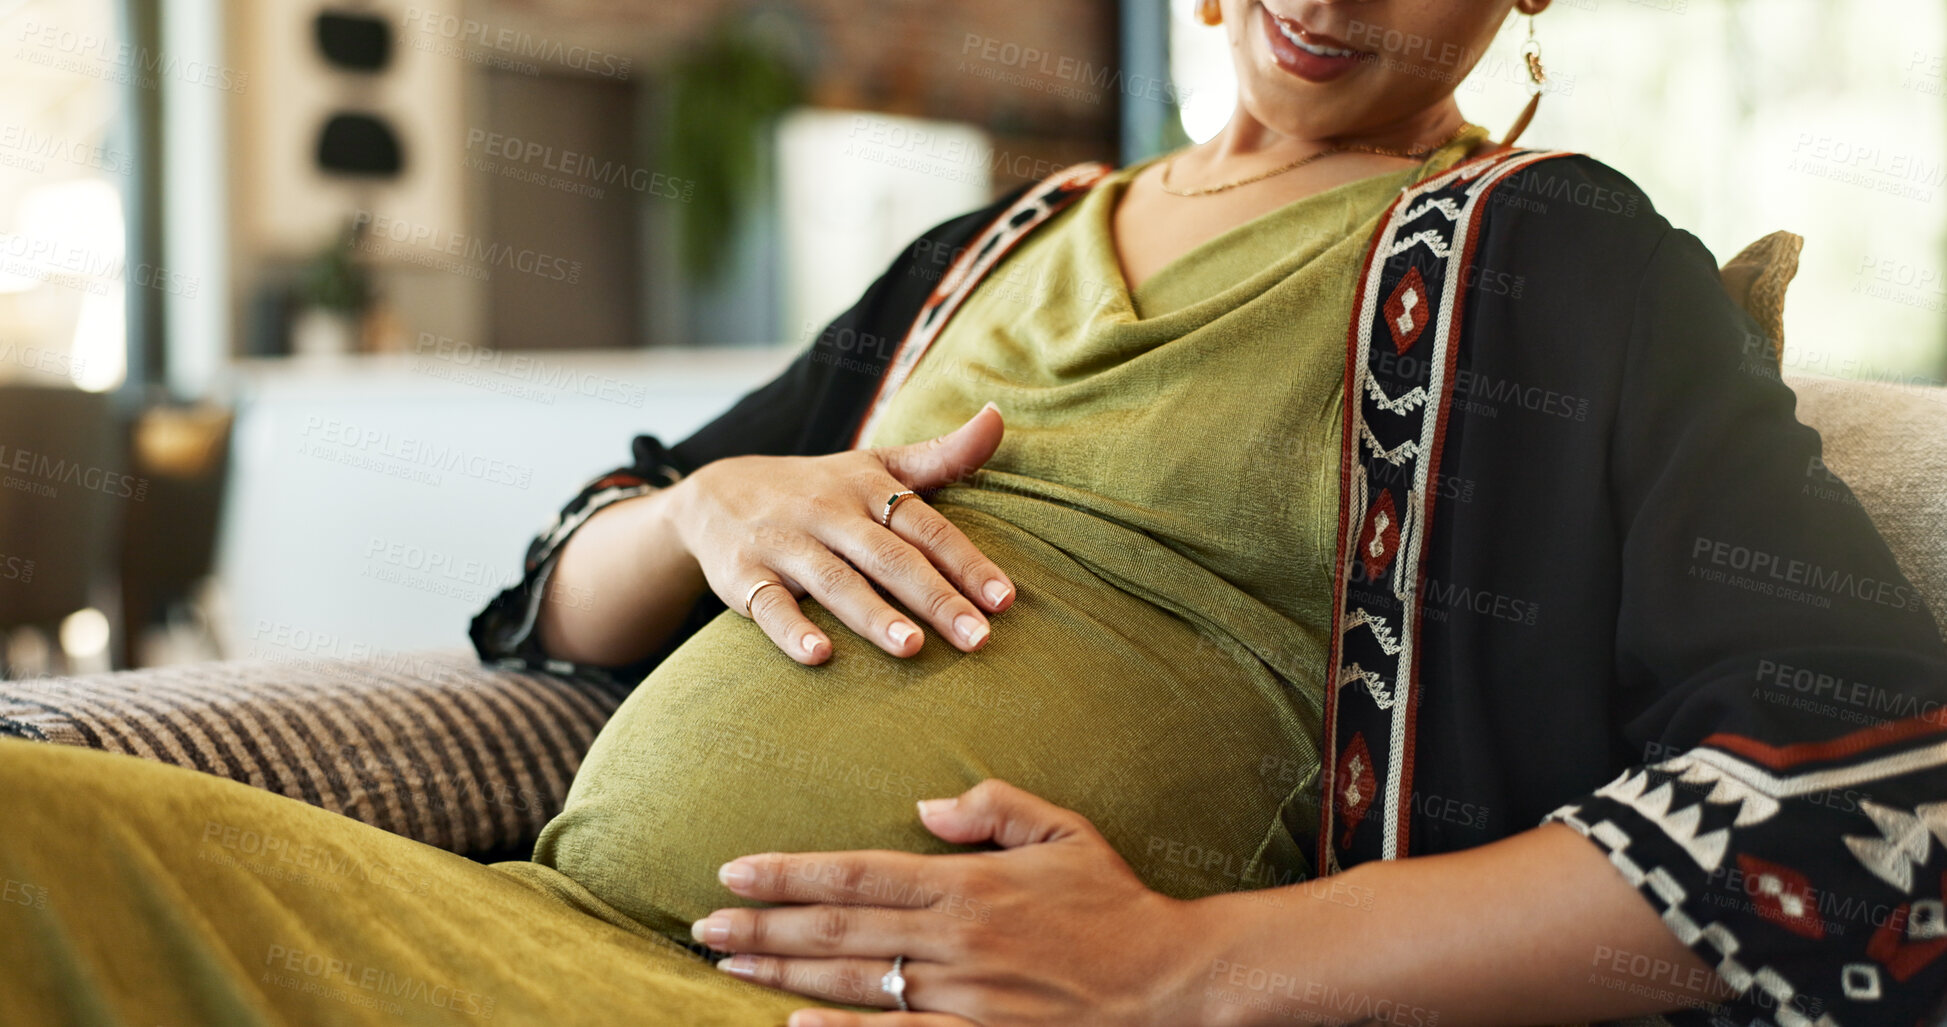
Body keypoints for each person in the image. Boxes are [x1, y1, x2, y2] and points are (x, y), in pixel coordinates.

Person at [4, 2, 1943, 1026]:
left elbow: (1873, 786)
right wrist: (712, 510)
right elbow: (559, 599)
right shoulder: (979, 246)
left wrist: (1189, 974)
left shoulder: (1553, 258)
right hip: (518, 918)